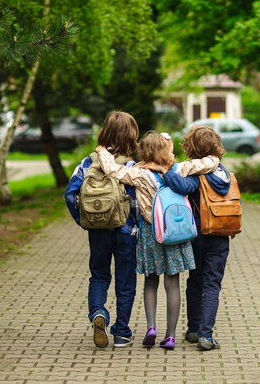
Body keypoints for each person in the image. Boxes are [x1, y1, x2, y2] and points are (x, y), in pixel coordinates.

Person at [95, 131, 219, 350]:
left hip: (150, 233)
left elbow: (112, 170)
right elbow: (211, 162)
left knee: (150, 282)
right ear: (164, 153)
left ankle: (151, 327)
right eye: (171, 150)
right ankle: (170, 336)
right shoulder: (178, 169)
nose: (173, 154)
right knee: (172, 284)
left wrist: (103, 152)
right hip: (174, 233)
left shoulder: (138, 173)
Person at [64, 111, 139, 348]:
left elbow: (70, 194)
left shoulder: (88, 162)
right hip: (127, 232)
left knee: (99, 275)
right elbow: (139, 201)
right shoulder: (131, 166)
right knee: (125, 281)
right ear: (131, 136)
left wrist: (84, 220)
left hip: (97, 230)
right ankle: (122, 333)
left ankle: (98, 313)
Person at [162, 126, 232, 351]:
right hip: (220, 234)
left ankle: (194, 329)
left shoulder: (195, 176)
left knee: (195, 280)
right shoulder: (224, 173)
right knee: (212, 284)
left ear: (191, 148)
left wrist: (168, 170)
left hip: (197, 236)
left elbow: (180, 185)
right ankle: (206, 335)